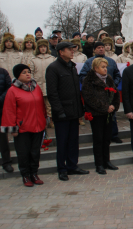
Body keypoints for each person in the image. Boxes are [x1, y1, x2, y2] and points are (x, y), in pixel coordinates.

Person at [45, 42, 88, 181]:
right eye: (69, 49)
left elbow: (76, 91)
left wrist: (80, 109)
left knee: (73, 141)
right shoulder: (53, 68)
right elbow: (52, 93)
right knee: (62, 142)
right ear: (60, 52)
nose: (72, 51)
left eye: (72, 49)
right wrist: (58, 110)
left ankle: (72, 166)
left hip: (74, 110)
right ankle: (62, 169)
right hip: (62, 112)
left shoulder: (72, 67)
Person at [1, 64, 47, 186]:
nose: (27, 74)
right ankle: (26, 175)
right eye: (24, 72)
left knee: (35, 152)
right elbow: (9, 110)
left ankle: (34, 173)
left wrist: (44, 119)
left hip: (38, 126)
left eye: (29, 72)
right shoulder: (12, 90)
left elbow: (42, 105)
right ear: (17, 76)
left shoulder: (36, 87)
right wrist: (13, 128)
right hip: (23, 128)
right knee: (23, 153)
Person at [82, 58, 120, 174]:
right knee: (98, 139)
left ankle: (106, 161)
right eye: (103, 67)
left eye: (106, 67)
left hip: (108, 114)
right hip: (97, 114)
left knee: (107, 138)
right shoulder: (89, 80)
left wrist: (113, 106)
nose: (105, 69)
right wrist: (105, 107)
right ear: (95, 68)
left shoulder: (108, 78)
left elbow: (115, 93)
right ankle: (99, 164)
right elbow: (89, 98)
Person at [79, 42, 122, 144]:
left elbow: (117, 75)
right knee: (99, 120)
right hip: (97, 95)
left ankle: (113, 135)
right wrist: (93, 84)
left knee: (112, 116)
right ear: (94, 50)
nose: (101, 49)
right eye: (99, 48)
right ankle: (101, 138)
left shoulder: (111, 61)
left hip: (109, 94)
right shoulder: (89, 62)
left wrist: (113, 85)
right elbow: (82, 76)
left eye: (102, 47)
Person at [30, 39, 56, 129]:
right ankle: (41, 121)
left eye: (44, 47)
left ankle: (51, 120)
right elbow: (31, 73)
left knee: (49, 105)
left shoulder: (52, 58)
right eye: (41, 47)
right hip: (38, 85)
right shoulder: (33, 59)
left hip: (49, 85)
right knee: (39, 105)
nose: (43, 49)